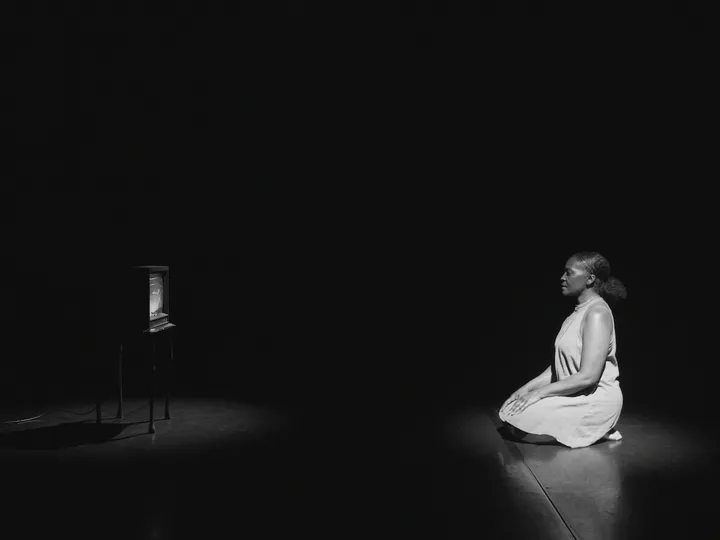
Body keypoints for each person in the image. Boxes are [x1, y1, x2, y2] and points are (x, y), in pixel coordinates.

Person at [498, 251, 627, 448]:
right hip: (573, 393)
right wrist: (526, 390)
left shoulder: (597, 313)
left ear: (590, 279)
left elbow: (588, 377)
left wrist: (539, 394)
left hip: (594, 400)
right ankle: (586, 427)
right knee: (510, 411)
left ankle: (599, 427)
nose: (562, 278)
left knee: (519, 422)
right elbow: (556, 368)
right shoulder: (574, 315)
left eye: (569, 273)